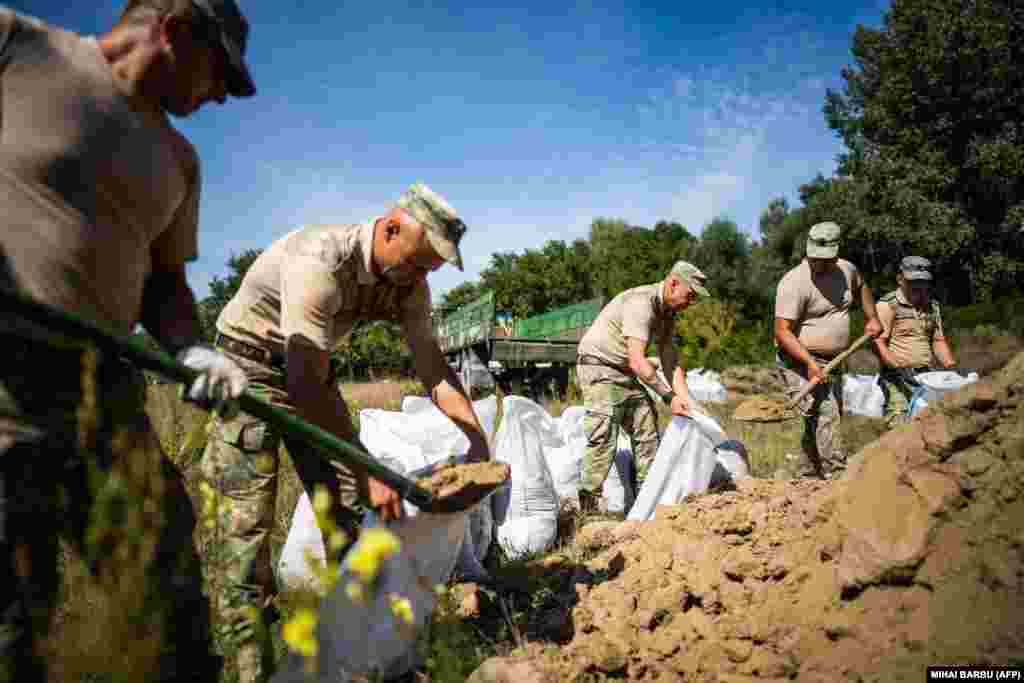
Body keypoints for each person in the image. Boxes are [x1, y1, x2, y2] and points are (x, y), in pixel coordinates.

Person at [0, 0, 257, 680]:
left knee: (168, 596)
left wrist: (192, 348)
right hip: (4, 375)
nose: (222, 96)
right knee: (12, 610)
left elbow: (166, 287)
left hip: (102, 388)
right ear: (173, 28)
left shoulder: (180, 162)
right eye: (220, 74)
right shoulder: (21, 47)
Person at [200, 182, 491, 683]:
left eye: (429, 270)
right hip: (246, 367)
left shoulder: (409, 284)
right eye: (418, 263)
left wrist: (478, 440)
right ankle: (251, 665)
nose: (419, 278)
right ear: (392, 227)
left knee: (349, 515)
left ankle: (358, 655)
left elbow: (433, 369)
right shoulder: (321, 260)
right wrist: (365, 466)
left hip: (310, 370)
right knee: (245, 532)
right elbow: (301, 382)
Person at [575, 261, 709, 516]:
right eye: (690, 295)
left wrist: (687, 400)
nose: (691, 303)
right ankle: (586, 510)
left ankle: (646, 502)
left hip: (623, 372)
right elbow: (639, 362)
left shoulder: (667, 313)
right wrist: (669, 397)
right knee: (604, 434)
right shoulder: (642, 303)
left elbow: (670, 360)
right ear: (673, 283)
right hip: (599, 368)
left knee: (646, 423)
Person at [773, 221, 882, 479]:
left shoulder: (846, 270)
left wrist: (872, 316)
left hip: (834, 359)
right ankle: (838, 476)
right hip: (798, 360)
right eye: (815, 259)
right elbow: (782, 331)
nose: (820, 264)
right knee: (825, 413)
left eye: (826, 259)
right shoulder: (793, 283)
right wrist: (810, 363)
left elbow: (862, 286)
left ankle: (806, 473)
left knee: (822, 415)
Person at [873, 256, 956, 426]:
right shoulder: (888, 305)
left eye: (922, 281)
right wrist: (898, 367)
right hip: (896, 378)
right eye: (913, 281)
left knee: (931, 421)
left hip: (926, 375)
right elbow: (878, 342)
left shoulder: (932, 307)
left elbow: (938, 340)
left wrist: (951, 367)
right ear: (900, 280)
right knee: (900, 422)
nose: (918, 286)